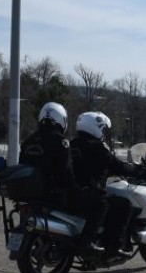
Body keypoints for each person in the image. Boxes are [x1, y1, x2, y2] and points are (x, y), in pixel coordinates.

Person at [18, 102, 93, 251]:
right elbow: (66, 172)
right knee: (96, 203)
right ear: (61, 120)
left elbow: (22, 164)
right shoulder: (60, 141)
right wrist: (77, 188)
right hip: (53, 192)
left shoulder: (28, 141)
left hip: (33, 194)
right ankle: (86, 243)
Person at [70, 111, 145, 253]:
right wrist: (136, 170)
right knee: (123, 205)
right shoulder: (98, 148)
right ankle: (111, 246)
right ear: (95, 127)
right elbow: (117, 165)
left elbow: (92, 167)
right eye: (103, 128)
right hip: (88, 193)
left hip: (72, 192)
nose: (104, 132)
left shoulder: (73, 145)